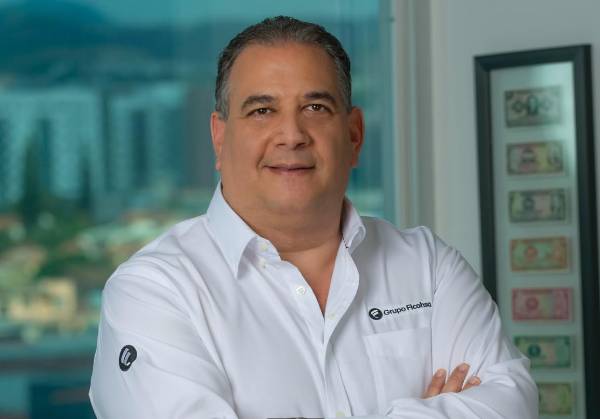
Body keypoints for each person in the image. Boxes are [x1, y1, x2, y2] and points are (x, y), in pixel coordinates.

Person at [89, 16, 537, 419]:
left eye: (315, 108)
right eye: (262, 110)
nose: (291, 135)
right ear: (220, 138)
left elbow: (512, 404)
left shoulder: (428, 266)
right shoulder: (154, 292)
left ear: (354, 135)